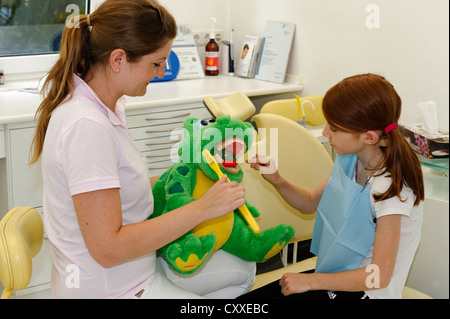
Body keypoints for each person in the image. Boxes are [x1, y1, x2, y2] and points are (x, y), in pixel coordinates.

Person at [29, 0, 255, 299]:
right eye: (155, 63)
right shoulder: (86, 127)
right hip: (114, 289)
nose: (161, 72)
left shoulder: (103, 106)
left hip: (132, 270)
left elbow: (118, 188)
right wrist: (203, 209)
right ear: (118, 59)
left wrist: (188, 177)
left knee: (244, 269)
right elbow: (108, 249)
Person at [241, 73, 424, 299]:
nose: (326, 132)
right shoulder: (352, 157)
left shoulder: (389, 188)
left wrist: (310, 281)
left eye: (335, 129)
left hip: (367, 292)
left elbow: (379, 276)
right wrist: (276, 179)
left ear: (369, 137)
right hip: (338, 274)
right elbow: (309, 203)